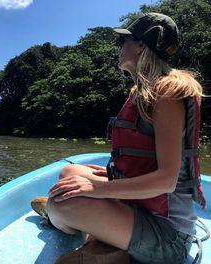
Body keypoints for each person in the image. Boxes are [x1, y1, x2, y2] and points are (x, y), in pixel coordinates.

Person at [31, 12, 206, 264]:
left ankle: (68, 223)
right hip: (138, 205)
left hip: (167, 236)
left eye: (124, 41)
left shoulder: (167, 92)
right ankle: (103, 236)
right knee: (70, 174)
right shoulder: (142, 91)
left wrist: (100, 188)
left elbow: (167, 181)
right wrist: (107, 182)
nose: (120, 47)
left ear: (142, 45)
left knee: (62, 203)